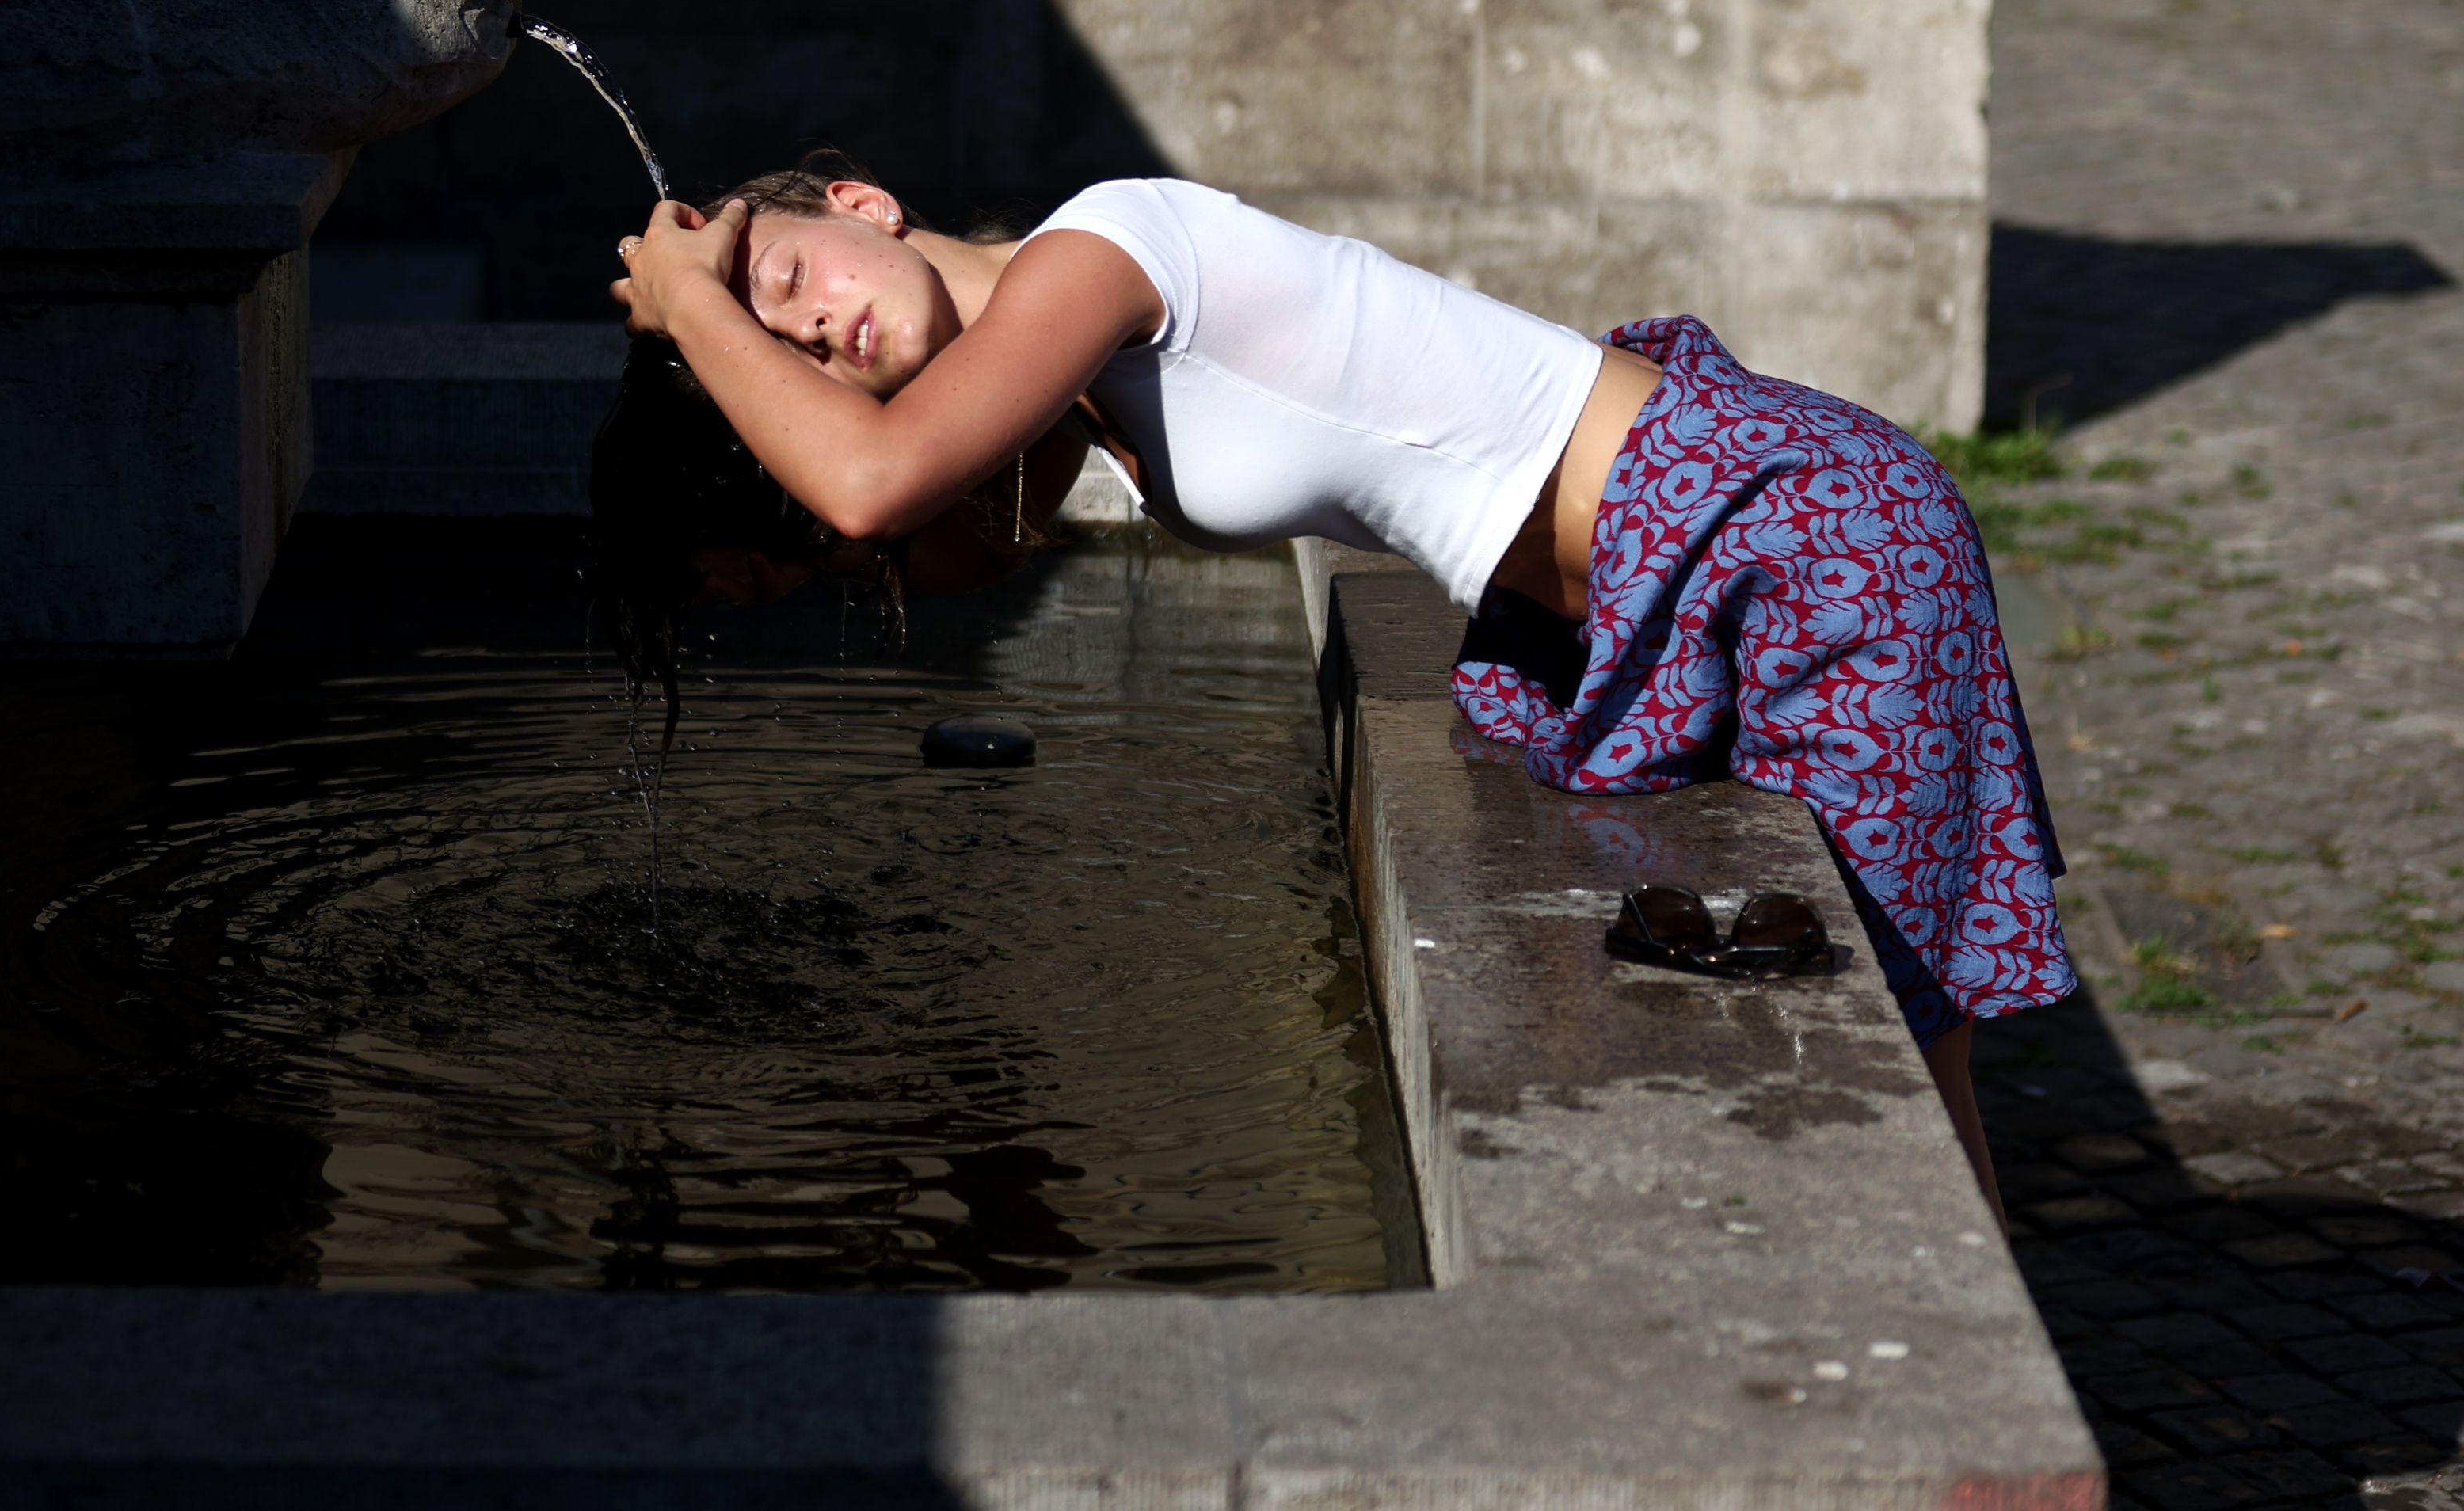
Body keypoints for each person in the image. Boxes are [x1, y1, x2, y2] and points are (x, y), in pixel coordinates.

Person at [596, 154, 2071, 1218]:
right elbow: (933, 538)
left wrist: (688, 299)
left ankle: (1975, 1447)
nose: (805, 330)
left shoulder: (1099, 253)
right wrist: (750, 551)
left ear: (863, 204)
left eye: (789, 281)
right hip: (1663, 572)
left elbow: (871, 482)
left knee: (1885, 1057)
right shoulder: (1075, 379)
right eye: (784, 343)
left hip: (1786, 531)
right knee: (1826, 1042)